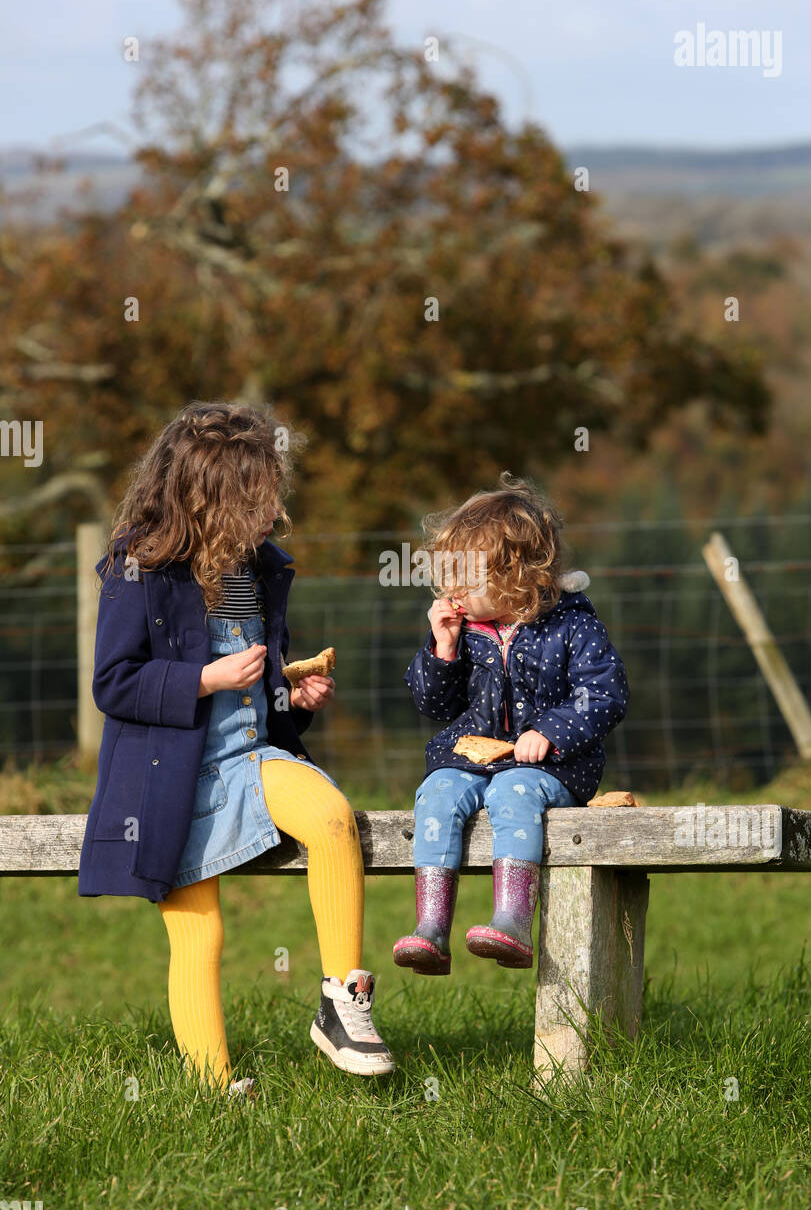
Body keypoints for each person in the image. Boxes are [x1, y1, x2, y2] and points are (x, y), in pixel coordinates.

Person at [78, 400, 394, 1097]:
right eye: (256, 498)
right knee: (201, 935)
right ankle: (213, 1088)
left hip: (252, 761)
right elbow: (113, 682)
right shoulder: (143, 567)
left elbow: (256, 691)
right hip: (170, 780)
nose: (271, 513)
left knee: (332, 816)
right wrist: (205, 678)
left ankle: (342, 1000)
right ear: (206, 496)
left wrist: (290, 691)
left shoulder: (258, 569)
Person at [393, 472, 629, 974]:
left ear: (516, 575)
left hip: (553, 767)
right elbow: (434, 705)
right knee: (436, 791)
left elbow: (604, 693)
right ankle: (431, 928)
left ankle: (513, 921)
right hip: (472, 760)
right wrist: (443, 650)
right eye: (446, 572)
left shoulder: (572, 625)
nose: (451, 586)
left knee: (512, 792)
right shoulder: (465, 632)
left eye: (465, 574)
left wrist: (549, 734)